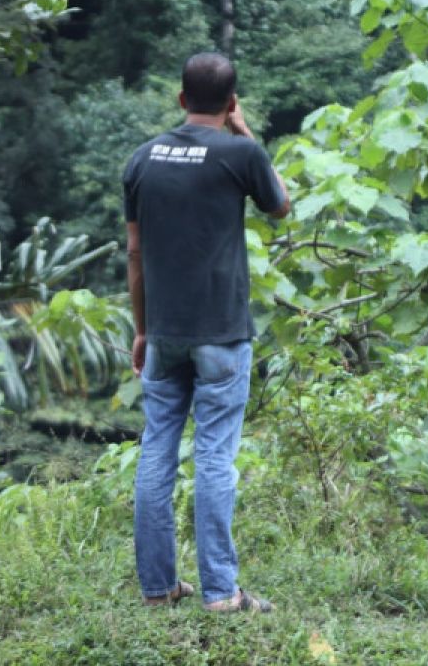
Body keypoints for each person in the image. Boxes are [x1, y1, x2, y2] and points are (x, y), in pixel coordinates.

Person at [122, 52, 290, 610]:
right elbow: (280, 207)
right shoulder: (242, 153)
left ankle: (158, 587)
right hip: (221, 332)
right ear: (233, 103)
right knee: (215, 457)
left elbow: (135, 253)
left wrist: (142, 330)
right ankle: (221, 593)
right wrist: (244, 133)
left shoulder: (142, 159)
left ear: (179, 98)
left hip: (164, 332)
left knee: (156, 453)